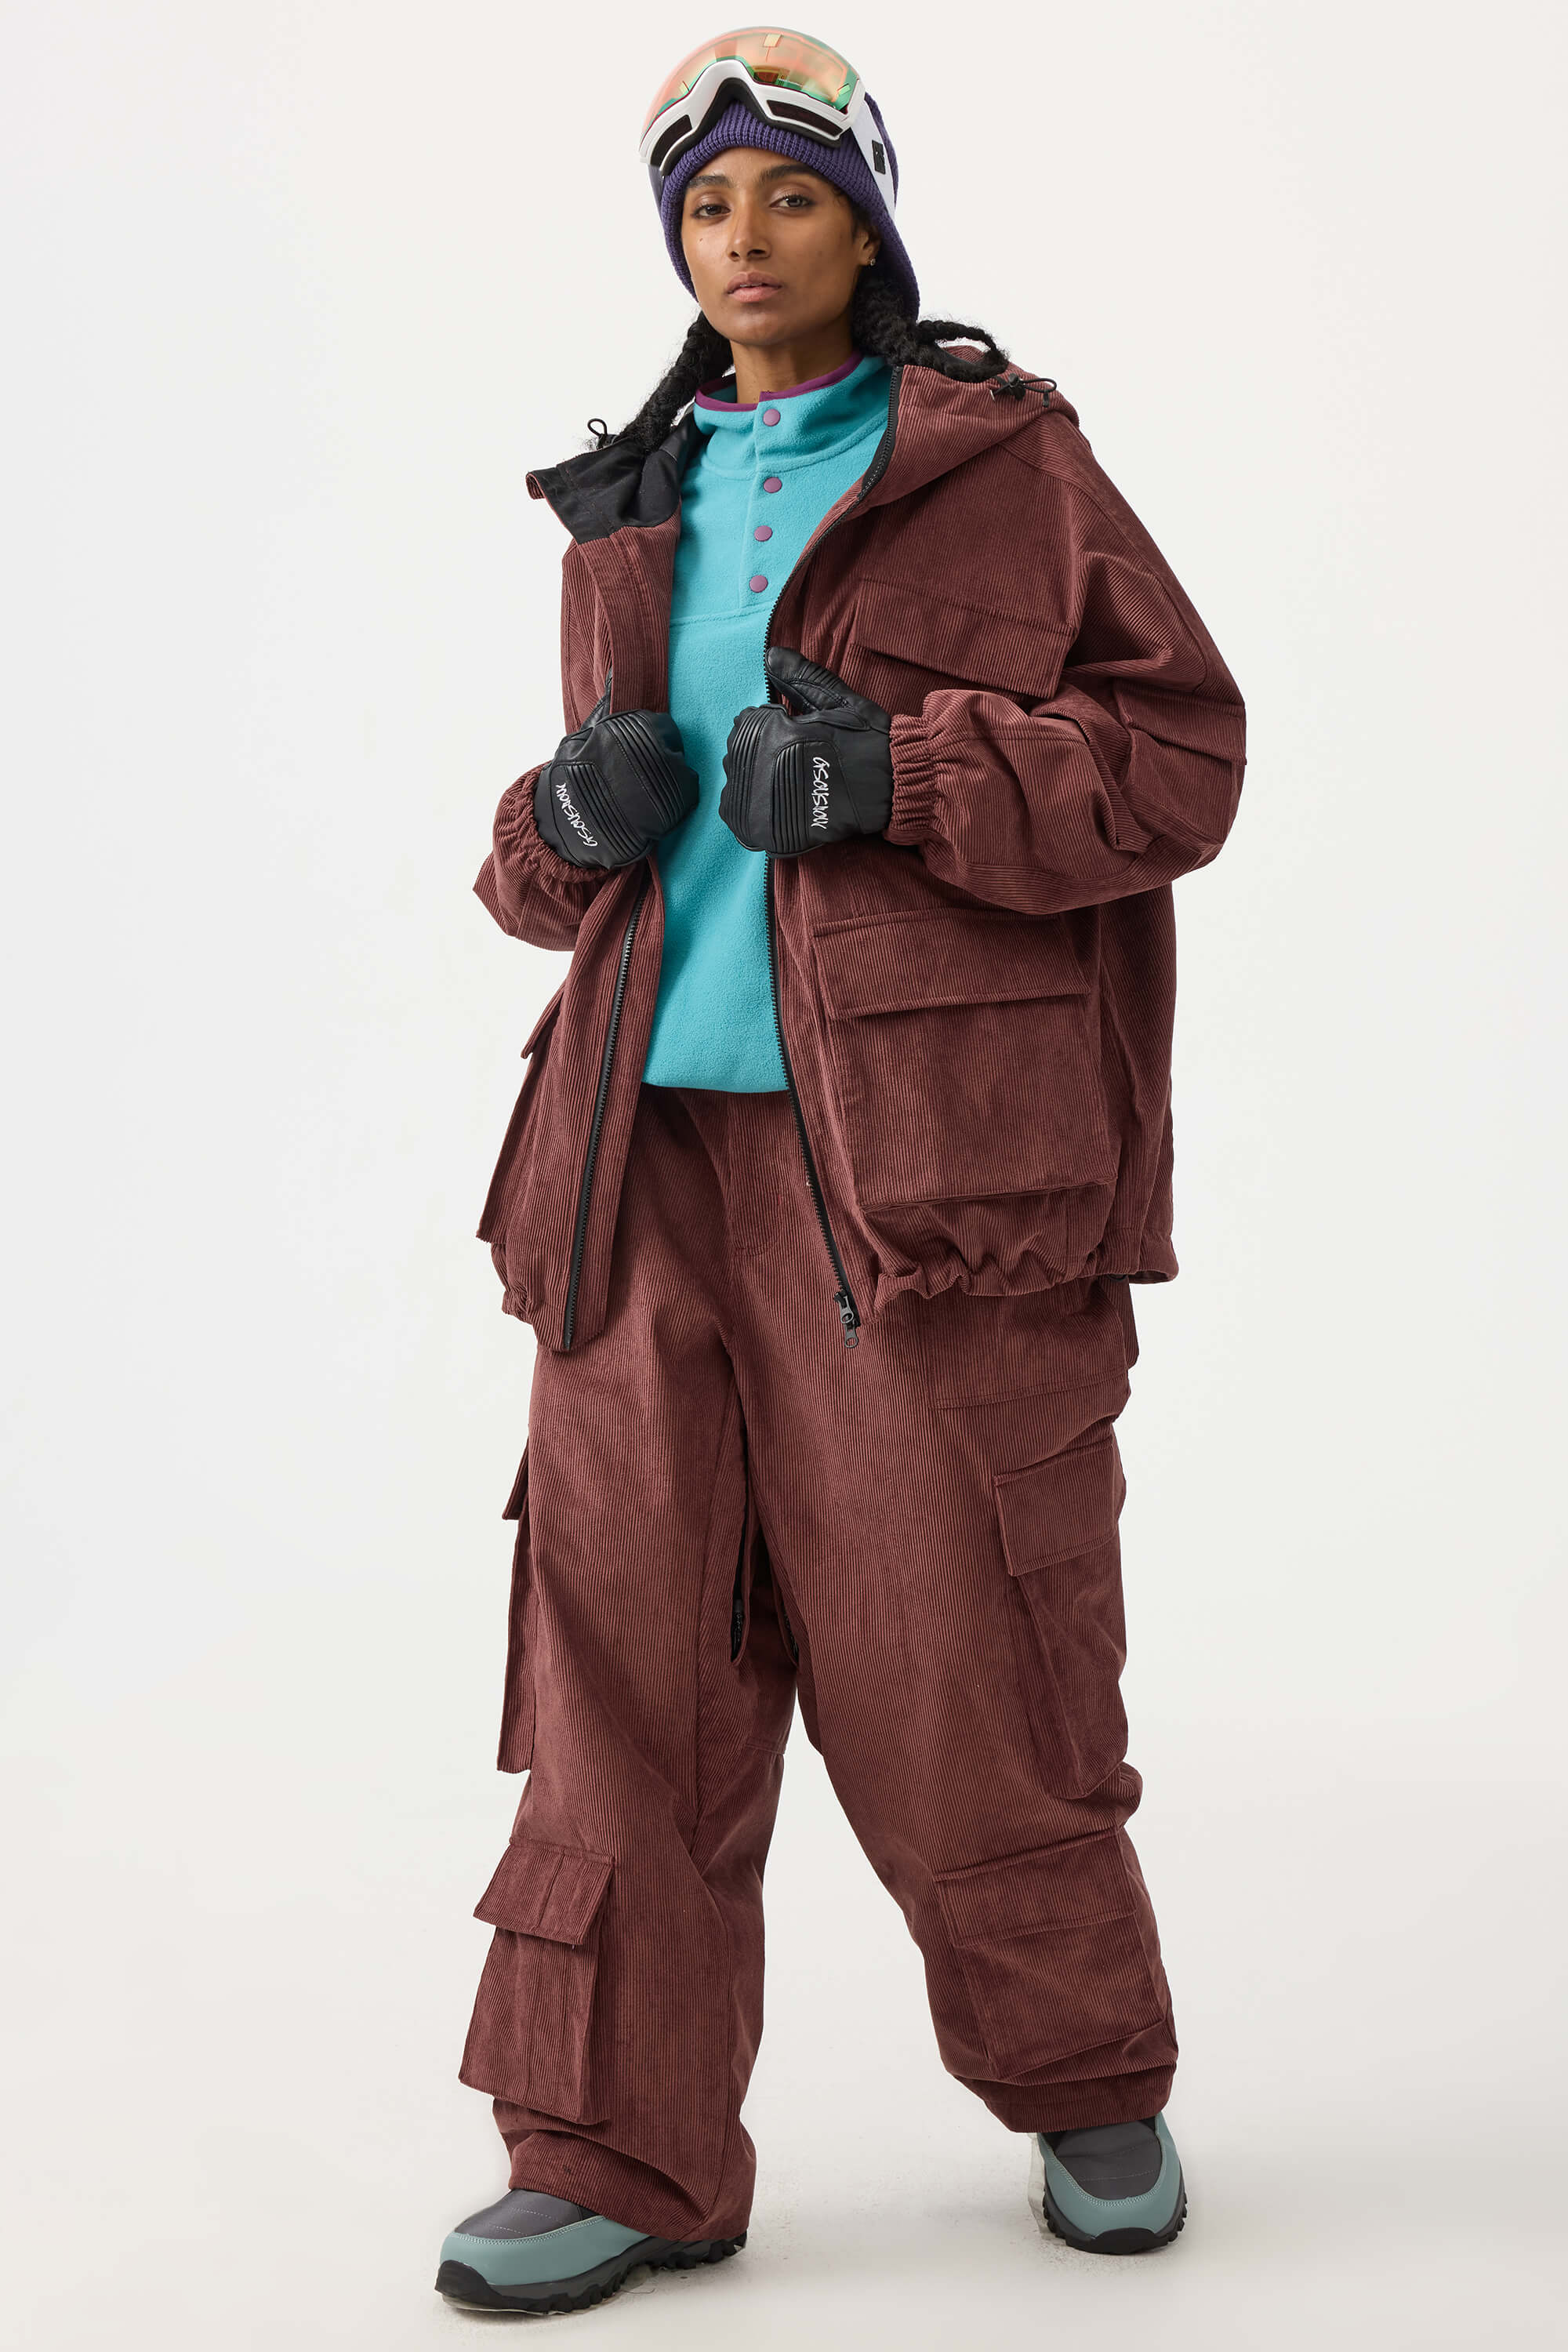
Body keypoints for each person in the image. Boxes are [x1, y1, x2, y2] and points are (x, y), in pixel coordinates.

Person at [435, 26, 1245, 2316]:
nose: (744, 240)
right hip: (628, 1170)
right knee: (621, 1677)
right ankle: (615, 2151)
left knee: (961, 1646)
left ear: (868, 220)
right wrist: (552, 823)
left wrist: (911, 776)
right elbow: (569, 856)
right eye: (704, 206)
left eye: (788, 194)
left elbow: (1180, 760)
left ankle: (1085, 2077)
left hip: (920, 1187)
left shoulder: (1004, 460)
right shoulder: (634, 501)